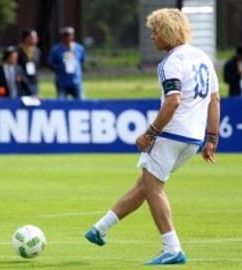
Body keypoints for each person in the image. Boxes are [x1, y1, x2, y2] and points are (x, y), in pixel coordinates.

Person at [85, 8, 220, 265]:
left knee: (153, 187)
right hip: (192, 139)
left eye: (155, 31)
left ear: (168, 32)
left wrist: (149, 133)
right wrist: (212, 138)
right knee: (146, 184)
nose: (152, 37)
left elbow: (173, 102)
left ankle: (172, 248)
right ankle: (99, 229)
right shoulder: (203, 57)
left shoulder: (170, 62)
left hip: (170, 133)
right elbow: (215, 99)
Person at [48, 26, 86, 99]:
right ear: (62, 37)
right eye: (66, 35)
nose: (68, 37)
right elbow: (51, 64)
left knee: (81, 102)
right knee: (61, 102)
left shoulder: (79, 48)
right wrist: (59, 69)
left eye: (70, 35)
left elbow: (82, 61)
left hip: (76, 80)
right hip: (62, 81)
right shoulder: (56, 49)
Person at [17, 29, 41, 96]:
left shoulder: (37, 51)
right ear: (26, 38)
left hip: (33, 80)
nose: (35, 39)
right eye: (33, 37)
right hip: (22, 81)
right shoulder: (19, 50)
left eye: (36, 37)